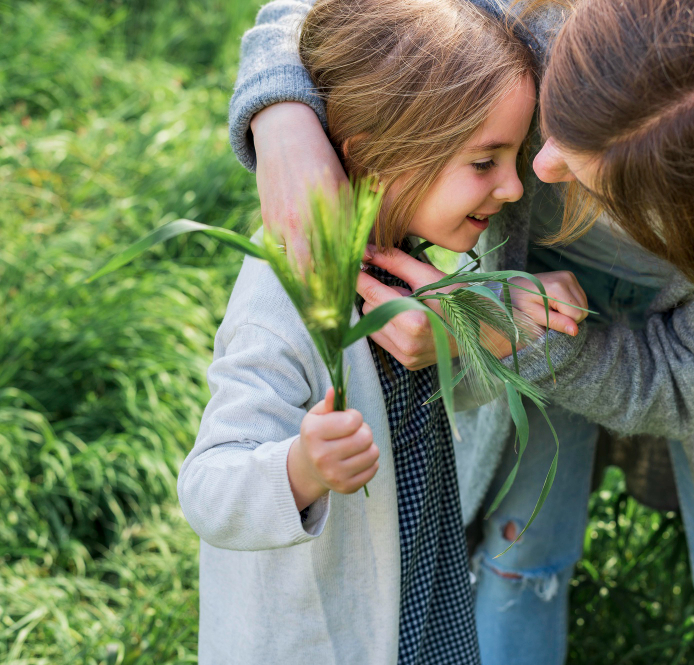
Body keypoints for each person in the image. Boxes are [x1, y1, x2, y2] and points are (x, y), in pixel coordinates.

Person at [228, 0, 694, 663]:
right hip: (531, 276)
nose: (541, 169)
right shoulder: (539, 9)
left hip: (659, 336)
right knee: (516, 537)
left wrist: (512, 336)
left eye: (601, 182)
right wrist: (282, 109)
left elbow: (690, 378)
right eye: (559, 107)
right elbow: (343, 17)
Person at [175, 1, 589, 662]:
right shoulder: (287, 301)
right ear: (376, 159)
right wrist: (301, 468)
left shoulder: (402, 255)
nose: (513, 187)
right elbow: (206, 487)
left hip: (417, 591)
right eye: (485, 162)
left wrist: (499, 321)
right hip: (328, 634)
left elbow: (427, 397)